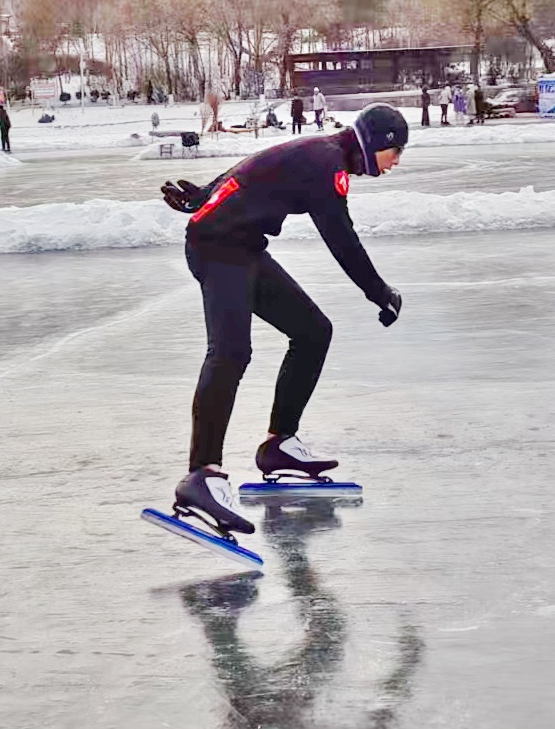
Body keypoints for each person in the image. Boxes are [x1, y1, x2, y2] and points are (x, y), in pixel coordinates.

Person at [158, 104, 408, 536]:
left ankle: (279, 445)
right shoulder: (327, 163)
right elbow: (341, 238)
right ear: (378, 141)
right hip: (216, 247)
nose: (397, 161)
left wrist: (207, 193)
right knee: (231, 352)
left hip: (244, 248)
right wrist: (379, 292)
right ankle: (202, 474)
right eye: (397, 151)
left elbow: (256, 167)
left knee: (313, 332)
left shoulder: (323, 152)